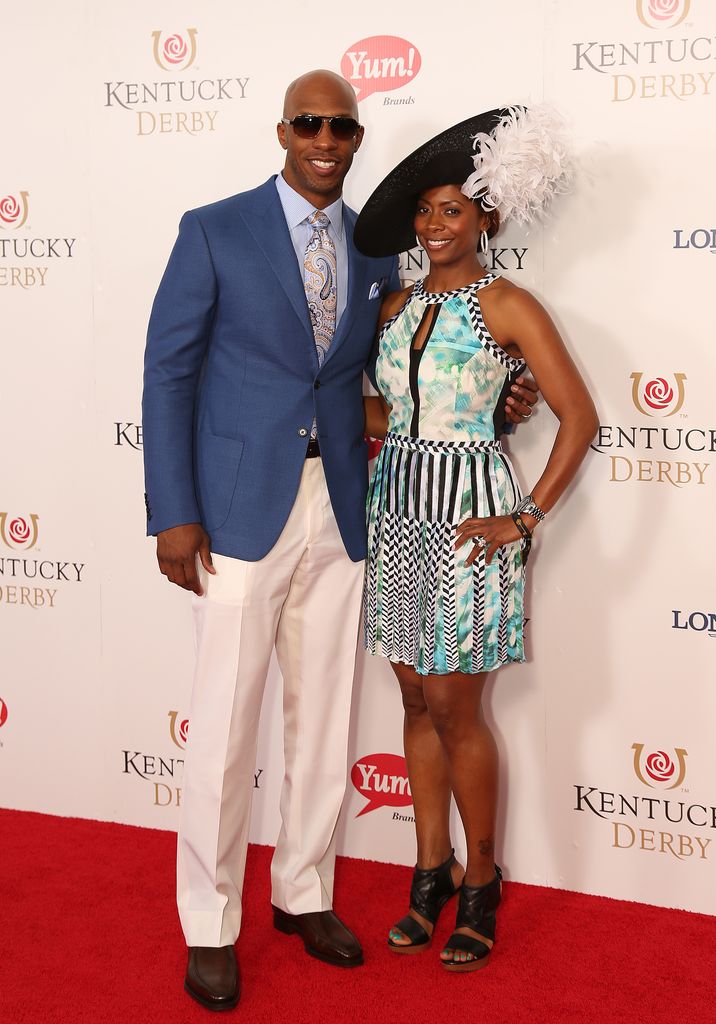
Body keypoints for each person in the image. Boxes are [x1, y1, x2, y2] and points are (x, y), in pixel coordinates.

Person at [142, 73, 538, 1010]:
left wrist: (502, 396)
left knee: (322, 713)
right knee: (224, 725)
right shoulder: (215, 227)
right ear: (284, 130)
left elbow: (385, 379)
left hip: (347, 502)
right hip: (237, 511)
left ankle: (304, 891)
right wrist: (172, 510)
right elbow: (168, 370)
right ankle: (209, 920)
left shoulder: (372, 248)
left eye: (342, 126)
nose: (325, 138)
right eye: (310, 123)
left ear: (356, 138)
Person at [355, 107, 598, 972]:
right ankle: (430, 867)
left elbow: (581, 419)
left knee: (458, 705)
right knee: (415, 697)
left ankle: (483, 878)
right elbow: (389, 409)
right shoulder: (392, 303)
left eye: (452, 208)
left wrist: (525, 516)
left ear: (486, 217)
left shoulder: (508, 303)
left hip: (470, 519)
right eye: (424, 211)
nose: (433, 225)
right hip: (398, 512)